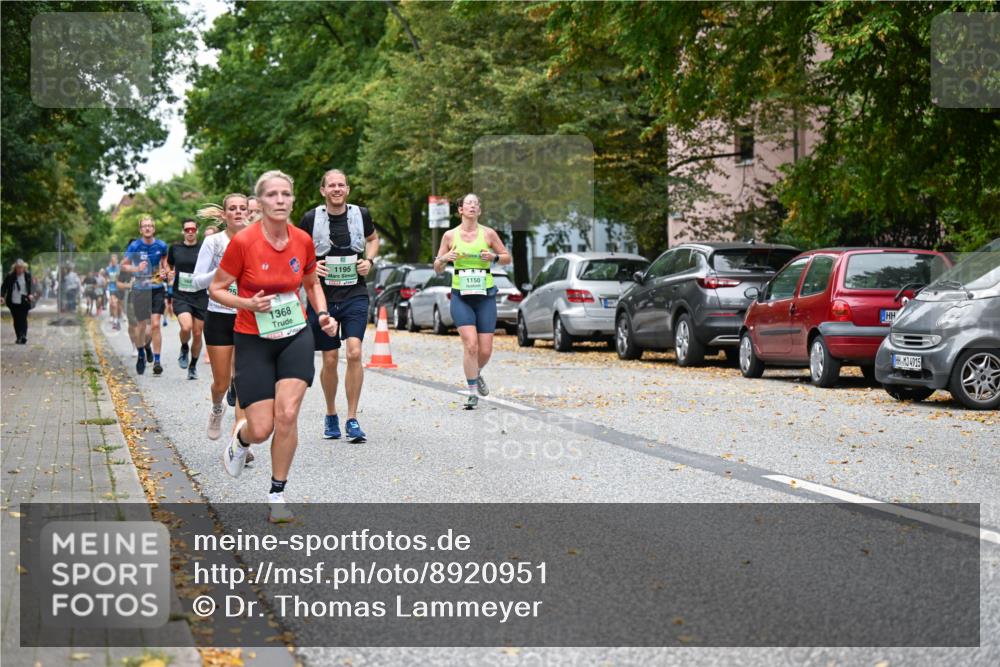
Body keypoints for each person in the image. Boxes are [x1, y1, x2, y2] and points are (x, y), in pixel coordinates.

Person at [209, 170, 337, 523]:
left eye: (286, 194)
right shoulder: (244, 243)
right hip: (252, 339)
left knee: (288, 413)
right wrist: (248, 304)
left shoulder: (302, 240)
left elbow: (311, 283)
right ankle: (242, 439)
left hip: (295, 333)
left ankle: (277, 494)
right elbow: (217, 288)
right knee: (262, 428)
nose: (280, 200)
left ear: (293, 199)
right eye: (272, 195)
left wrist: (323, 313)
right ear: (260, 203)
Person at [297, 169, 379, 442]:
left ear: (347, 189)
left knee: (354, 353)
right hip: (323, 296)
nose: (336, 189)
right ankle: (331, 413)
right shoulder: (310, 218)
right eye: (331, 185)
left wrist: (369, 261)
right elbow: (295, 250)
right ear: (323, 190)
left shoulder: (361, 214)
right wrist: (311, 265)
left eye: (341, 185)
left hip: (355, 293)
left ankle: (352, 418)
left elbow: (373, 239)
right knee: (330, 359)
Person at [433, 193, 512, 409]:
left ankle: (476, 373)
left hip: (485, 295)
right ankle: (472, 392)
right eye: (468, 203)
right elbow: (437, 267)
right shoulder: (450, 236)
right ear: (460, 210)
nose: (472, 207)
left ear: (480, 211)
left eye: (476, 204)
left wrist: (494, 257)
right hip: (461, 295)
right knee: (471, 345)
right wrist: (444, 259)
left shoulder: (488, 234)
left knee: (485, 350)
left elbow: (507, 257)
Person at [193, 195, 252, 443]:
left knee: (242, 381)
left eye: (242, 208)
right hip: (219, 315)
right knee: (222, 382)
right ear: (224, 215)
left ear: (249, 212)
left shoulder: (257, 240)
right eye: (232, 209)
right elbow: (196, 281)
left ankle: (239, 442)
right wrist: (221, 272)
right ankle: (217, 408)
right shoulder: (213, 242)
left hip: (247, 317)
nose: (238, 212)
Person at [121, 216, 169, 375]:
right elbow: (124, 266)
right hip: (140, 289)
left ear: (153, 229)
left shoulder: (161, 246)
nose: (147, 228)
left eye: (150, 226)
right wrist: (136, 269)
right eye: (144, 226)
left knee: (155, 324)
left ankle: (157, 360)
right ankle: (141, 353)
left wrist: (165, 272)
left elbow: (165, 265)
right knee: (141, 325)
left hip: (156, 288)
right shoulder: (135, 246)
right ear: (140, 230)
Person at [168, 219, 209, 380]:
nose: (190, 232)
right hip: (181, 294)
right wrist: (169, 273)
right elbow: (169, 266)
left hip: (200, 295)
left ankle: (192, 366)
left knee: (198, 334)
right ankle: (184, 347)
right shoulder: (175, 248)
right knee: (186, 327)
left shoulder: (204, 248)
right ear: (183, 232)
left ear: (197, 231)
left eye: (193, 229)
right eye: (187, 230)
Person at [2, 259, 33, 343]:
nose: (19, 270)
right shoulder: (10, 275)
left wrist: (31, 294)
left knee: (23, 319)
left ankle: (23, 336)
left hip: (24, 300)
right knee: (16, 319)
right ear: (15, 268)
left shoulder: (27, 275)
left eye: (21, 268)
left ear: (24, 268)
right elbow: (4, 287)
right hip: (13, 301)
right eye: (18, 268)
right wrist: (2, 296)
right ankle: (19, 336)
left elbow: (31, 286)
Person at [106, 254, 122, 330]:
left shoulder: (119, 268)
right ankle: (115, 319)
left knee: (118, 306)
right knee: (113, 304)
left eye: (114, 261)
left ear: (117, 261)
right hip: (111, 288)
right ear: (111, 261)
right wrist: (107, 281)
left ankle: (116, 317)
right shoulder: (108, 269)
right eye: (112, 261)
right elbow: (106, 278)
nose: (113, 262)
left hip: (119, 289)